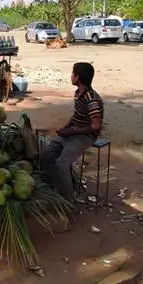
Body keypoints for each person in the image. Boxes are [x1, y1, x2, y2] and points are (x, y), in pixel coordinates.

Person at [40, 62, 104, 202]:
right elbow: (77, 115)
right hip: (73, 133)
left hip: (85, 137)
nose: (71, 76)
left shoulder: (91, 99)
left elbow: (96, 126)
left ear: (77, 78)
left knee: (62, 164)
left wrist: (74, 131)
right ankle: (55, 189)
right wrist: (66, 129)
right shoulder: (78, 93)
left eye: (72, 73)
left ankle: (67, 201)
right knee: (46, 156)